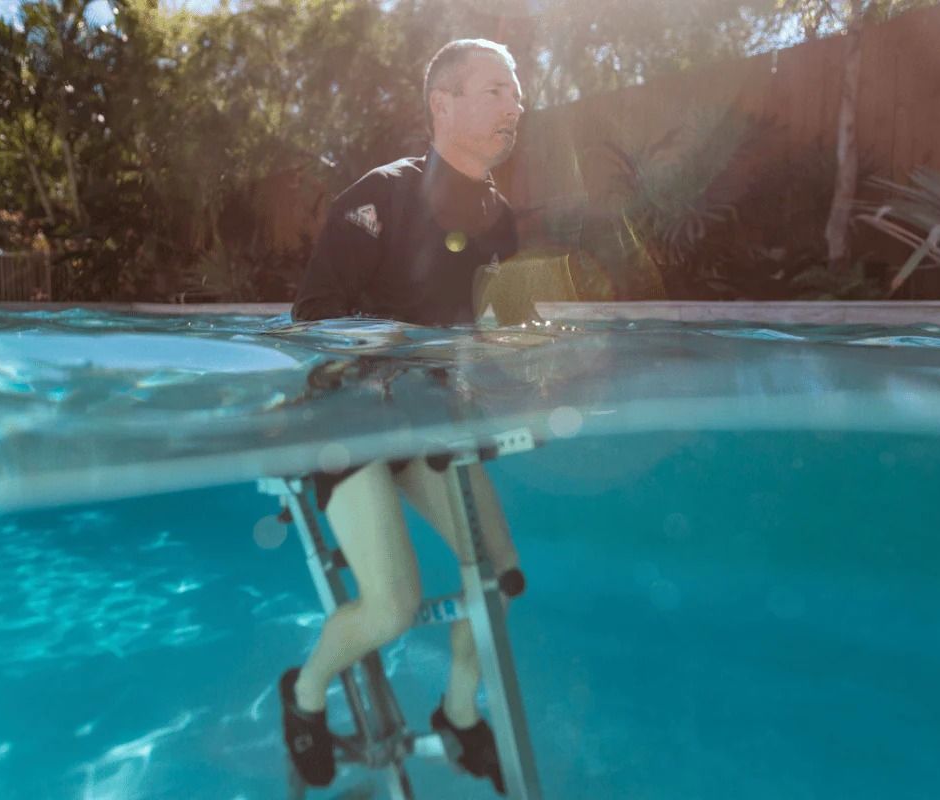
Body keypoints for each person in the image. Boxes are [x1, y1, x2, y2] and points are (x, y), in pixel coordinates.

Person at [280, 39, 529, 795]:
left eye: (515, 91)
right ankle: (305, 693)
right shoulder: (377, 199)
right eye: (494, 89)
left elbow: (502, 329)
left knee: (497, 578)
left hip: (429, 421)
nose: (514, 106)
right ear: (442, 104)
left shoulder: (499, 221)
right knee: (391, 609)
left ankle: (457, 714)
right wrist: (399, 356)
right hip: (347, 423)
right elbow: (311, 322)